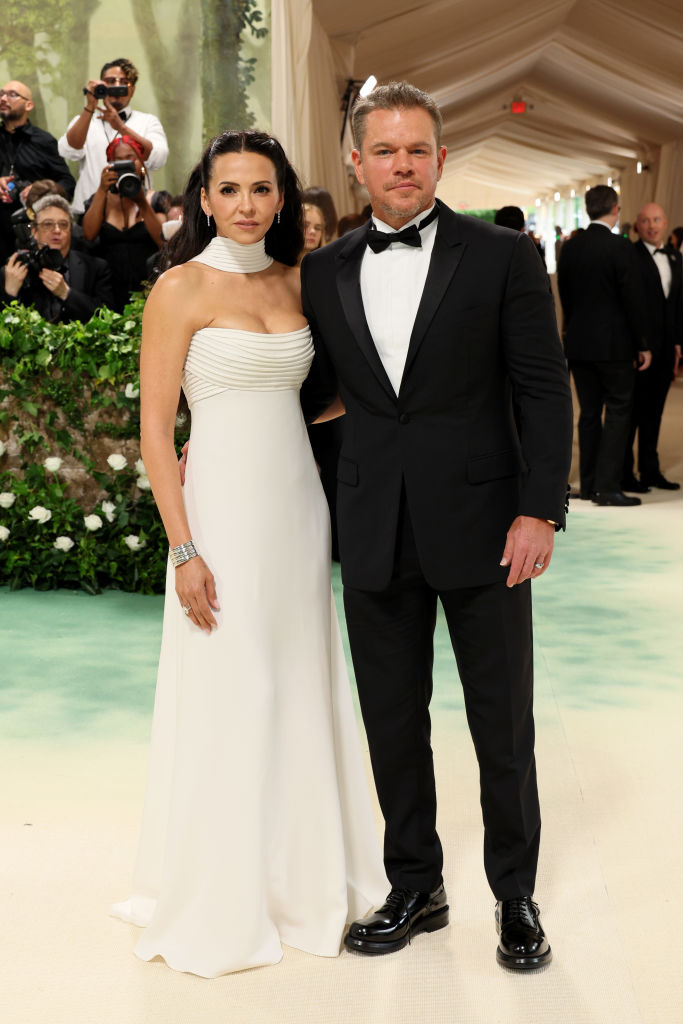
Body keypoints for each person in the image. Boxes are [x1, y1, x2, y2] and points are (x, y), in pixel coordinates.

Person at [299, 82, 573, 970]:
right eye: (384, 150)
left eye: (416, 149)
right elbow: (312, 393)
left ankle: (515, 895)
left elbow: (542, 387)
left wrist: (539, 508)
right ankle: (416, 885)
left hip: (488, 525)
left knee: (502, 724)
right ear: (356, 162)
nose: (402, 165)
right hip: (372, 523)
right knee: (391, 721)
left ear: (440, 159)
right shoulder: (322, 270)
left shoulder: (502, 256)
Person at [109, 130, 387, 977]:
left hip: (295, 507)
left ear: (282, 198)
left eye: (260, 189)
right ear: (202, 199)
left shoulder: (301, 281)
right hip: (219, 514)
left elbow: (329, 394)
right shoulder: (180, 288)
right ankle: (223, 891)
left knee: (298, 678)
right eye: (227, 189)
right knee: (233, 683)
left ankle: (303, 879)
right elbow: (155, 433)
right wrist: (183, 547)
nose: (245, 204)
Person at [557, 185, 651, 505]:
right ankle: (608, 487)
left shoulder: (570, 247)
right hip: (615, 346)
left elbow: (566, 295)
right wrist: (642, 343)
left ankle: (589, 485)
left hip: (579, 343)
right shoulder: (620, 246)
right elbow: (632, 299)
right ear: (615, 210)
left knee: (588, 414)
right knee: (618, 412)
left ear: (587, 209)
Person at [58, 58, 168, 216]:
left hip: (135, 214)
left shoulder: (148, 122)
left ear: (132, 90)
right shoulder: (84, 120)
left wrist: (121, 127)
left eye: (124, 82)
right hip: (88, 212)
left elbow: (158, 158)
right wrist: (90, 106)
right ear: (101, 86)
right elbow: (69, 151)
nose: (117, 86)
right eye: (110, 81)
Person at [623, 202, 682, 490]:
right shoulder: (629, 255)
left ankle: (650, 470)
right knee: (633, 412)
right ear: (637, 225)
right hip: (640, 349)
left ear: (665, 223)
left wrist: (678, 343)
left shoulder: (674, 256)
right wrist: (638, 344)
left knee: (655, 412)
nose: (651, 226)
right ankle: (625, 473)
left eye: (656, 219)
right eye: (645, 220)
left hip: (667, 348)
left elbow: (678, 303)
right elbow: (628, 305)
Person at [1, 193, 113, 321]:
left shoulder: (96, 268)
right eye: (48, 224)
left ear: (70, 231)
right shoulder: (12, 272)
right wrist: (10, 293)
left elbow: (107, 317)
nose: (57, 230)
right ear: (34, 231)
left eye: (63, 225)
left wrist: (66, 294)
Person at [81, 135, 163, 310]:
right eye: (118, 160)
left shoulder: (156, 200)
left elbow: (163, 241)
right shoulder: (99, 200)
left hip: (149, 287)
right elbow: (88, 235)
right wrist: (102, 190)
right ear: (110, 165)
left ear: (141, 162)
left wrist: (142, 202)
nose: (125, 164)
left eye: (130, 159)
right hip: (109, 288)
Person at [0, 80, 75, 264]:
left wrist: (41, 189)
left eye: (12, 95)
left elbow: (68, 183)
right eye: (1, 94)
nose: (3, 99)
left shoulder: (43, 141)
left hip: (35, 234)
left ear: (29, 105)